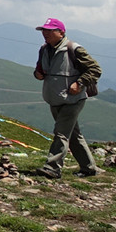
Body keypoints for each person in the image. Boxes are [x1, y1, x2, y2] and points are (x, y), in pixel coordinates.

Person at [32, 17, 102, 179]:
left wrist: (80, 83)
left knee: (61, 133)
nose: (45, 34)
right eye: (43, 30)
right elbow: (39, 69)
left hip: (73, 99)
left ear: (61, 32)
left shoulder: (74, 49)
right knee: (74, 134)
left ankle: (53, 167)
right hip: (54, 98)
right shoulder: (44, 49)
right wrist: (38, 74)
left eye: (49, 30)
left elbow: (95, 69)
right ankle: (89, 168)